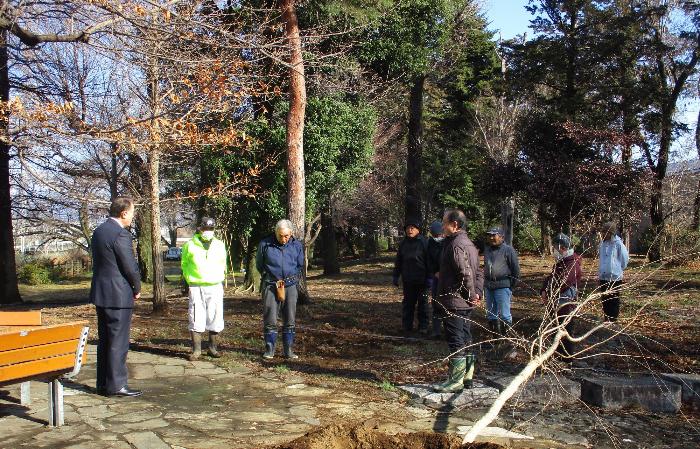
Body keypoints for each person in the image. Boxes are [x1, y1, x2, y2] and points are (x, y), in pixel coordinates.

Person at [89, 196, 142, 397]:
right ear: (124, 213)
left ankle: (103, 383)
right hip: (118, 295)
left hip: (101, 292)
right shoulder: (121, 234)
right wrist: (136, 286)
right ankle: (117, 384)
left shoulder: (99, 231)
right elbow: (129, 266)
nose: (133, 215)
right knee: (118, 342)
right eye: (132, 212)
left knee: (105, 341)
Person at [433, 209, 483, 392]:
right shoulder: (470, 244)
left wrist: (471, 294)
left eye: (444, 222)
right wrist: (477, 293)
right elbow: (478, 272)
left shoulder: (457, 245)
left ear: (454, 225)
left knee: (456, 340)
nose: (442, 226)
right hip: (465, 302)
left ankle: (456, 381)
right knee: (466, 338)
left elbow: (466, 273)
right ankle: (467, 377)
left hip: (455, 301)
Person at [256, 219, 305, 360]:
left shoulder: (296, 245)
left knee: (289, 318)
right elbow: (260, 264)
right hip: (271, 285)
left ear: (291, 233)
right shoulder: (265, 244)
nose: (283, 239)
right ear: (276, 232)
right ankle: (269, 349)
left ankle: (288, 350)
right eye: (280, 236)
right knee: (270, 318)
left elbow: (299, 264)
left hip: (290, 286)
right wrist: (269, 277)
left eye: (286, 236)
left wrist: (291, 278)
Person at [181, 217, 228, 361]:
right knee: (196, 316)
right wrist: (188, 280)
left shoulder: (220, 245)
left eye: (211, 229)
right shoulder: (189, 245)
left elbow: (223, 263)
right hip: (196, 285)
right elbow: (184, 264)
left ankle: (212, 347)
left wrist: (222, 278)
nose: (208, 232)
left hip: (215, 285)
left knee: (215, 316)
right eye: (206, 229)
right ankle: (196, 350)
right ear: (200, 229)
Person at [540, 233, 583, 358]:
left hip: (565, 305)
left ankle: (567, 359)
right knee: (555, 329)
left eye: (555, 248)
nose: (554, 251)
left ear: (562, 248)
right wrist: (544, 289)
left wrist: (550, 292)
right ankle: (557, 355)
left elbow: (563, 282)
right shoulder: (561, 262)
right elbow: (551, 277)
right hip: (556, 304)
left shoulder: (573, 263)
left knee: (565, 330)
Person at [392, 218, 430, 334]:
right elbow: (399, 261)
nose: (410, 230)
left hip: (422, 280)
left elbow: (430, 261)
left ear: (418, 230)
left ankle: (423, 327)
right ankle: (406, 326)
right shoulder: (403, 244)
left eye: (412, 228)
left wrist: (430, 277)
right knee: (408, 304)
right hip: (408, 279)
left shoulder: (424, 242)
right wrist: (396, 275)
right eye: (408, 228)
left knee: (423, 304)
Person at [483, 226, 520, 338]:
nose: (491, 237)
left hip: (503, 286)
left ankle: (507, 340)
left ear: (501, 237)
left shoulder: (508, 250)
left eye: (494, 235)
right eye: (490, 235)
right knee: (491, 314)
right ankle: (496, 339)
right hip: (489, 286)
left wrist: (511, 285)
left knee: (504, 315)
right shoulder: (487, 250)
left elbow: (515, 270)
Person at [598, 221, 629, 322]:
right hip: (603, 277)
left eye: (605, 232)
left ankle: (613, 320)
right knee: (605, 300)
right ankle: (607, 319)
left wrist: (617, 270)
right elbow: (601, 259)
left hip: (615, 278)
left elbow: (625, 260)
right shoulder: (602, 244)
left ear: (610, 233)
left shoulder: (618, 244)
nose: (603, 234)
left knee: (614, 300)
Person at [427, 220, 445, 338]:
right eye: (435, 235)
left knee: (448, 304)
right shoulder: (430, 244)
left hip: (448, 278)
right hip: (435, 277)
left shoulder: (449, 243)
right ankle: (436, 331)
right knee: (436, 304)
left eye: (439, 235)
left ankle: (449, 329)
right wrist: (434, 272)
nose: (437, 237)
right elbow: (428, 260)